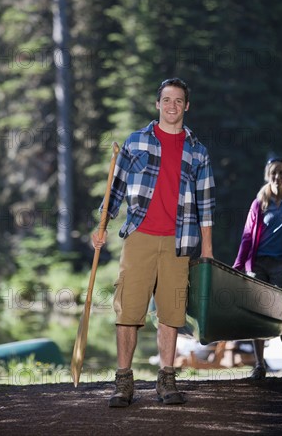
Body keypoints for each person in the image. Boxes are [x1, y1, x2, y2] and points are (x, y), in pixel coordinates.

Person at [92, 78, 215, 407]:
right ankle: (123, 382)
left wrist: (207, 249)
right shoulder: (136, 143)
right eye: (166, 99)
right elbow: (115, 188)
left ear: (186, 106)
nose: (172, 106)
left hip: (179, 242)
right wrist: (102, 226)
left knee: (172, 314)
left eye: (178, 101)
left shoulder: (198, 152)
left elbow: (206, 206)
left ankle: (166, 381)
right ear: (157, 104)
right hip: (139, 237)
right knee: (128, 311)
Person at [233, 157, 282, 379]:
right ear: (269, 175)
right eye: (274, 173)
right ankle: (259, 365)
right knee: (256, 314)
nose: (277, 177)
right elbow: (247, 236)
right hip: (257, 265)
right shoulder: (259, 202)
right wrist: (239, 265)